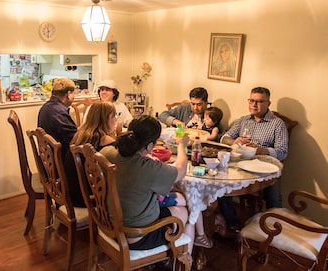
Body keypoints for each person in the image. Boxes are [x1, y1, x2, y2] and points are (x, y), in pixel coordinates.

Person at [100, 115, 211, 253]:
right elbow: (181, 171)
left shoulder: (107, 152)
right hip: (136, 236)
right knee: (186, 212)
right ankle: (183, 257)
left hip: (108, 223)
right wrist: (181, 144)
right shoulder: (147, 168)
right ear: (150, 145)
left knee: (180, 203)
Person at [219, 87, 288, 229]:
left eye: (259, 101)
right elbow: (224, 138)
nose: (254, 105)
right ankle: (233, 224)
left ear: (268, 103)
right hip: (241, 164)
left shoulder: (277, 124)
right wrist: (234, 142)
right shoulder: (243, 120)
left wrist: (259, 150)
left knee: (273, 195)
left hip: (265, 167)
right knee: (221, 184)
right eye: (251, 100)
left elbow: (282, 152)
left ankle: (275, 228)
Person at [64, 101, 117, 207]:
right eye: (113, 116)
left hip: (71, 192)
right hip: (89, 199)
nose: (116, 119)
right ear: (104, 119)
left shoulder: (80, 134)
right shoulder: (105, 141)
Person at [38, 78, 77, 159]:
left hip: (50, 159)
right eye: (74, 94)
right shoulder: (60, 112)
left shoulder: (45, 107)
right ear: (68, 94)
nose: (74, 97)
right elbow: (74, 139)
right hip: (62, 160)